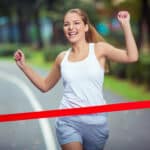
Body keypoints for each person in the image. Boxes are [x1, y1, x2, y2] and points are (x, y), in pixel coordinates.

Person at [14, 8, 138, 150]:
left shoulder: (100, 49)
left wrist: (126, 25)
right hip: (68, 122)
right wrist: (24, 66)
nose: (71, 28)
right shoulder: (62, 58)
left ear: (85, 27)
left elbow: (132, 56)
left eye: (76, 23)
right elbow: (44, 85)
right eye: (67, 24)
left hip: (97, 123)